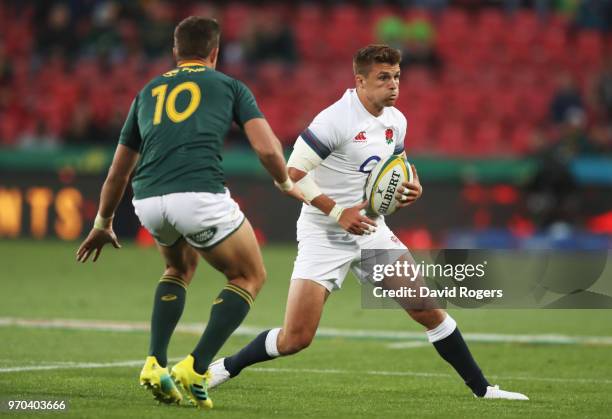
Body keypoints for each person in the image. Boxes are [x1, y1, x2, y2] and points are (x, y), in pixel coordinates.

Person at [207, 44, 528, 401]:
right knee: (295, 338)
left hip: (372, 230)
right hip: (324, 234)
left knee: (427, 308)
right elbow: (289, 175)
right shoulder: (334, 120)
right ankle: (225, 367)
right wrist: (336, 211)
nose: (393, 85)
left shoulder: (396, 120)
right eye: (383, 78)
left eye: (396, 77)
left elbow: (397, 168)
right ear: (360, 81)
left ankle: (483, 390)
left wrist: (411, 188)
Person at [75, 16, 302, 410]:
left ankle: (154, 362)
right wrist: (285, 183)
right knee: (249, 275)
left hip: (147, 200)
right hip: (198, 195)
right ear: (215, 52)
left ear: (175, 51)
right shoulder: (230, 85)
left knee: (178, 269)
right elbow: (267, 149)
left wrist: (102, 222)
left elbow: (118, 170)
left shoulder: (147, 91)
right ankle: (196, 367)